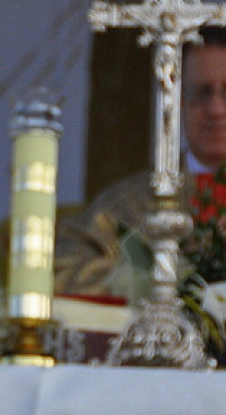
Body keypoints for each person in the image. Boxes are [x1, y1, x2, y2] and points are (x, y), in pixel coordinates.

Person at [53, 26, 226, 296]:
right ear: (178, 100)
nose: (216, 109)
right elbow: (64, 268)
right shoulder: (127, 204)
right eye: (201, 92)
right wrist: (141, 284)